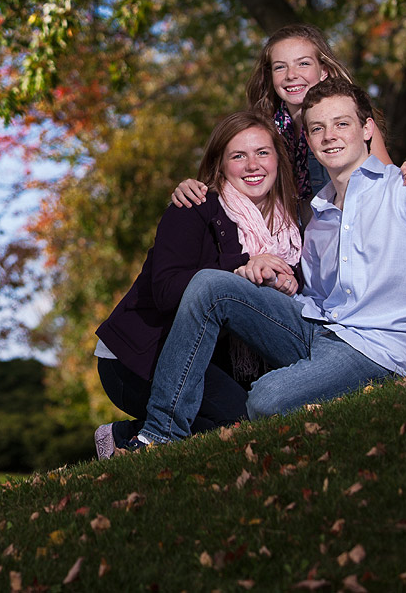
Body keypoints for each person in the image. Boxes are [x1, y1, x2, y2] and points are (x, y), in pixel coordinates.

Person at [113, 78, 406, 452]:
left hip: (378, 348)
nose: (329, 135)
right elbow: (316, 297)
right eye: (317, 128)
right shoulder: (315, 215)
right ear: (307, 139)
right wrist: (283, 289)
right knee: (207, 287)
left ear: (367, 129)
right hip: (319, 328)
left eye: (342, 123)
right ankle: (158, 435)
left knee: (266, 401)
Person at [93, 111, 302, 459]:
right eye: (238, 156)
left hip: (205, 361)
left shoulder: (290, 228)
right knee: (237, 424)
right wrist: (241, 268)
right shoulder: (193, 207)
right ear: (220, 165)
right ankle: (122, 436)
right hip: (138, 359)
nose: (253, 164)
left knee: (255, 416)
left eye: (263, 153)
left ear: (278, 159)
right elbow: (167, 291)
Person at [171, 24, 406, 212]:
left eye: (303, 64)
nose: (291, 75)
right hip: (293, 245)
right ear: (270, 75)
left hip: (344, 235)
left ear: (324, 71)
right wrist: (193, 188)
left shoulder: (349, 124)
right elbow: (236, 181)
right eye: (280, 67)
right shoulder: (266, 130)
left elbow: (387, 180)